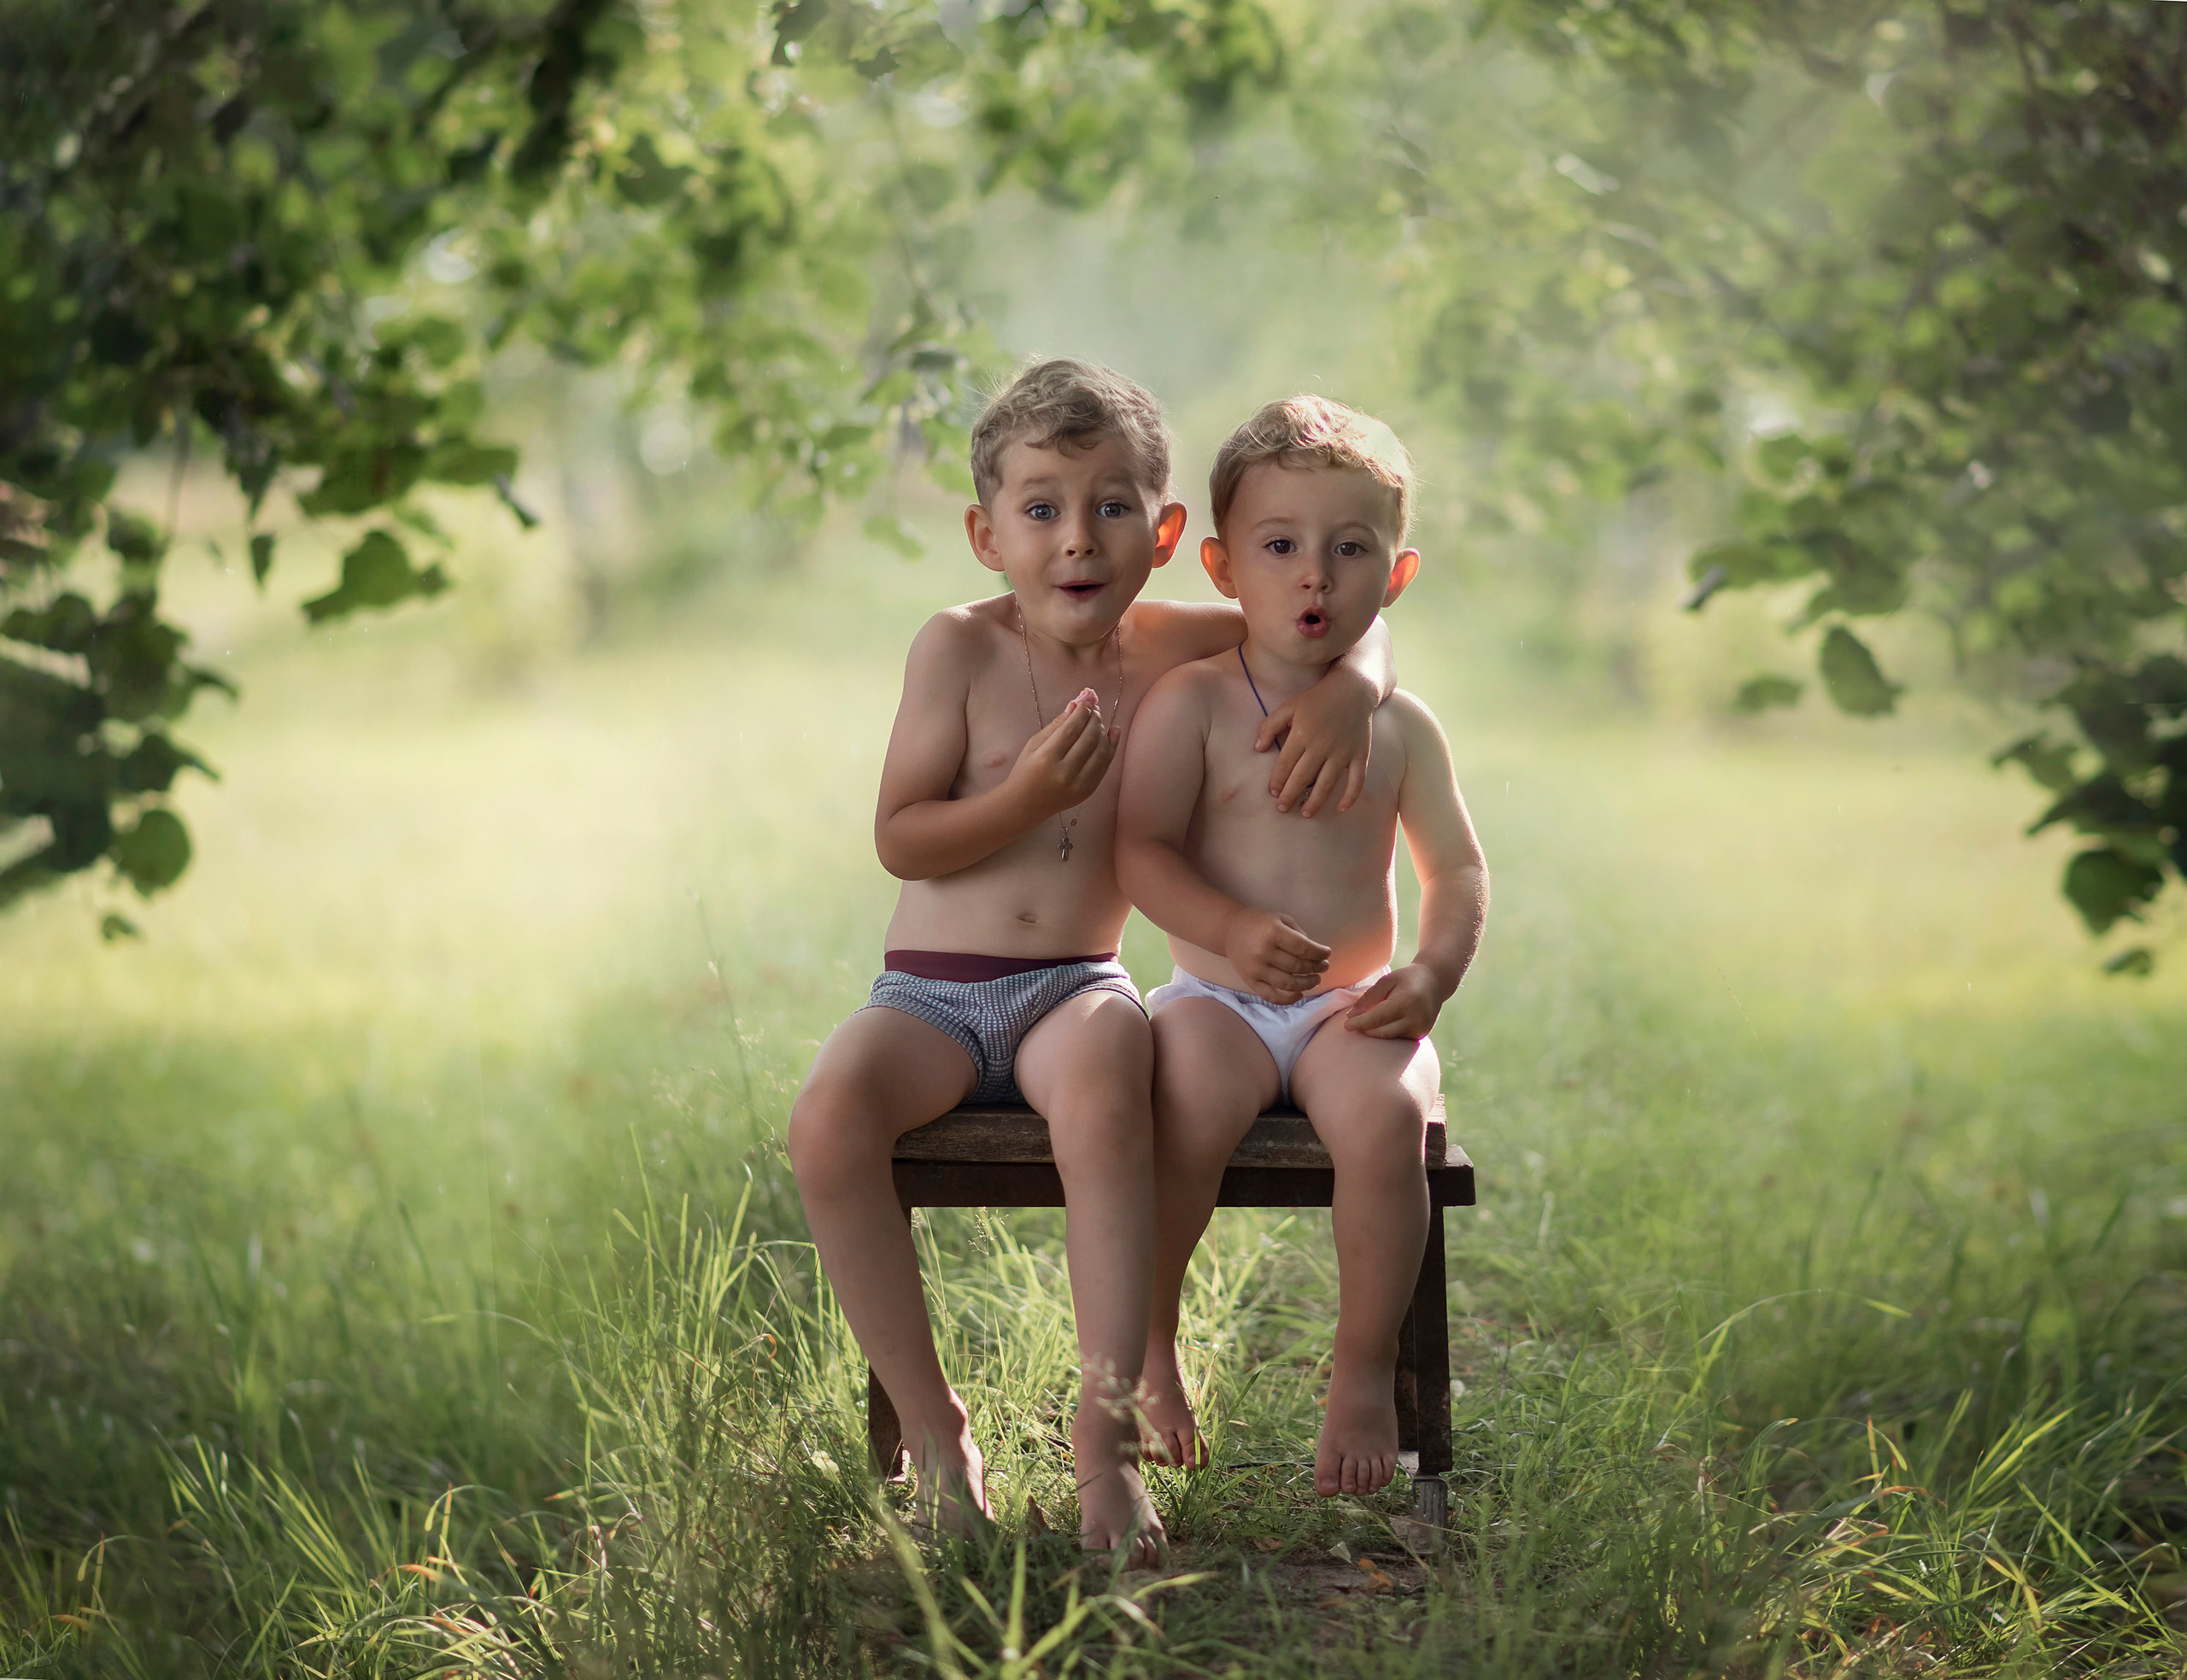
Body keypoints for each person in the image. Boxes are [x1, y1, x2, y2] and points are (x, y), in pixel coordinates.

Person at [786, 360, 1395, 1565]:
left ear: (1167, 535)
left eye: (1114, 508)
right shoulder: (956, 651)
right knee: (827, 1123)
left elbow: (1337, 625)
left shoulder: (1175, 644)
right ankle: (934, 1424)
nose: (1079, 540)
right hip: (934, 992)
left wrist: (1355, 696)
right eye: (1043, 509)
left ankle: (1105, 1440)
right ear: (987, 533)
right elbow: (898, 834)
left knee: (1118, 1086)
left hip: (1076, 988)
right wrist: (1019, 798)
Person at [1117, 395, 1489, 1500]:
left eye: (1349, 549)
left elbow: (1457, 870)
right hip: (1214, 1000)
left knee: (1385, 1119)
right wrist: (1227, 928)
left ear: (1398, 576)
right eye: (1281, 547)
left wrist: (1429, 975)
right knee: (1177, 1104)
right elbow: (1139, 850)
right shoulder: (1190, 705)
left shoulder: (1402, 727)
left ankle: (1362, 1369)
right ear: (1227, 568)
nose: (1314, 576)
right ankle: (1152, 1352)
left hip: (1350, 1006)